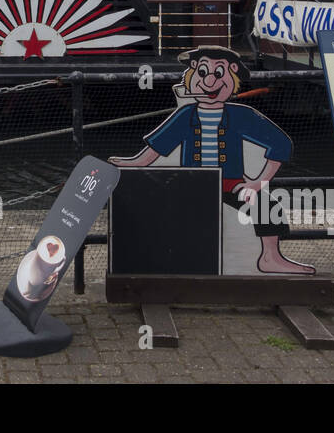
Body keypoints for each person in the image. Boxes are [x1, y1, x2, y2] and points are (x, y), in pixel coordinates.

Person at [109, 46, 314, 275]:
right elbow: (157, 148)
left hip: (230, 183)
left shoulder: (241, 116)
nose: (209, 81)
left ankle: (270, 258)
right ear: (192, 75)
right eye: (203, 72)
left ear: (232, 76)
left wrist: (258, 183)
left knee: (266, 206)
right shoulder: (185, 115)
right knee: (159, 211)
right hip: (190, 183)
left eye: (218, 74)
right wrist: (132, 163)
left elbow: (281, 144)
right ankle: (156, 257)